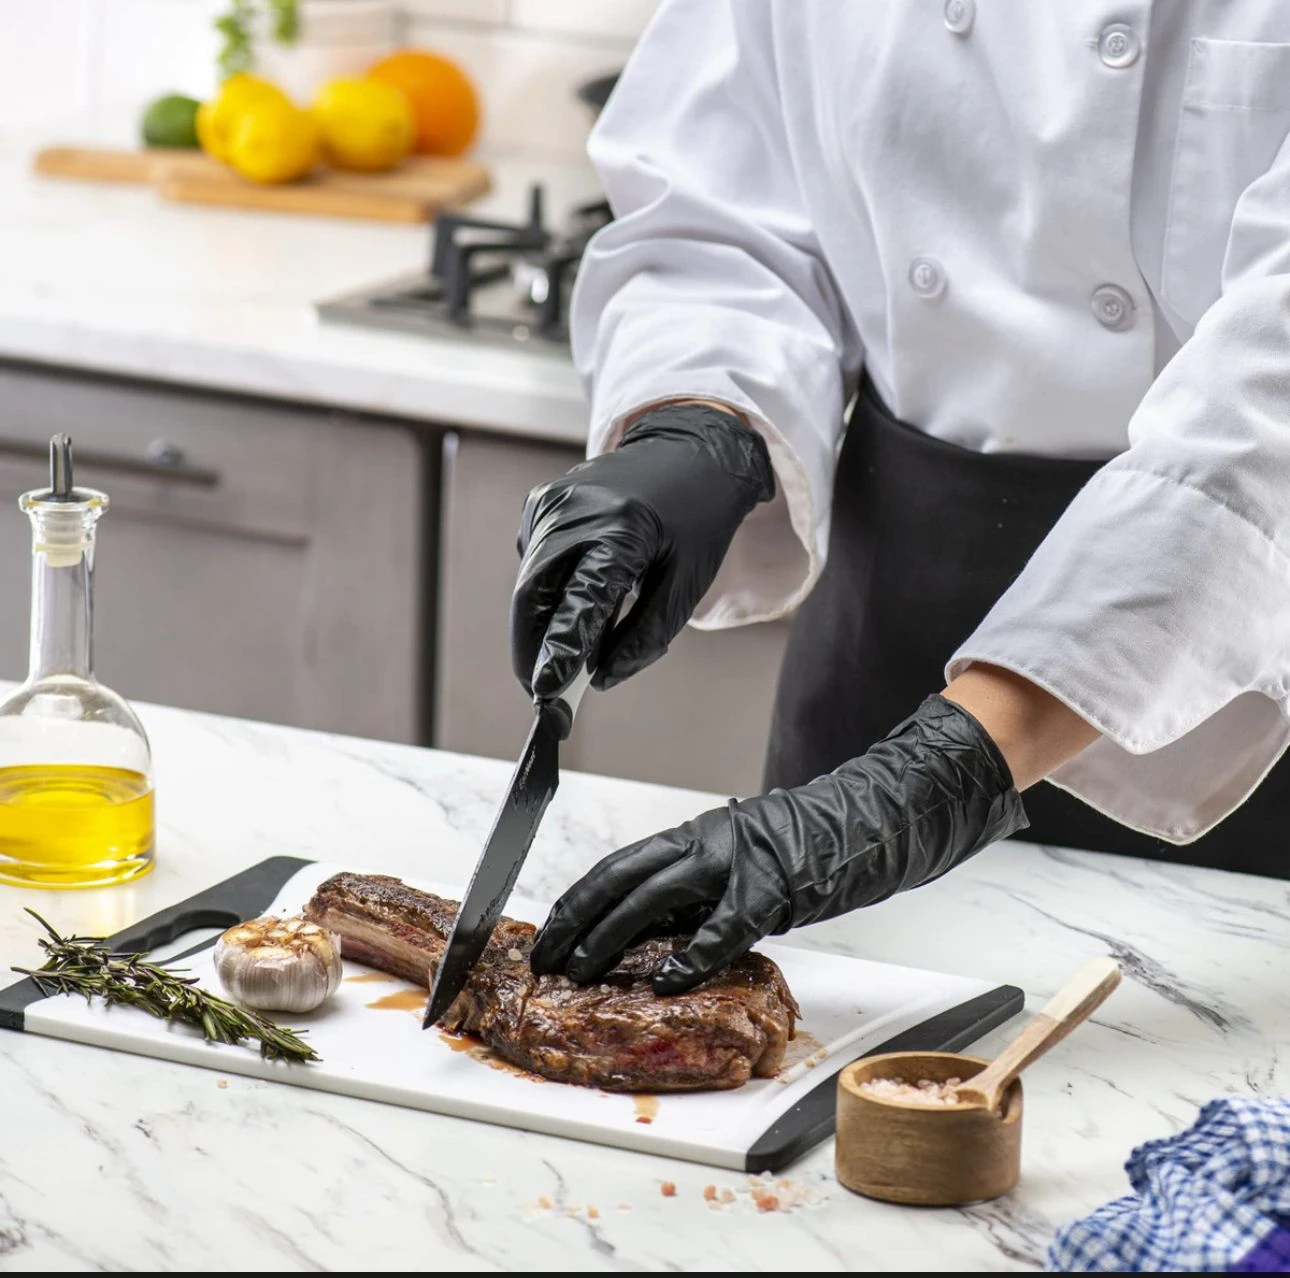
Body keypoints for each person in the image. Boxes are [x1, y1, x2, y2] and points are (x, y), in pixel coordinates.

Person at [510, 1, 1290, 994]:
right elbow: (722, 198)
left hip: (1239, 686)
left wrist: (940, 775)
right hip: (884, 650)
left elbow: (1268, 402)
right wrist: (698, 425)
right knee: (799, 1057)